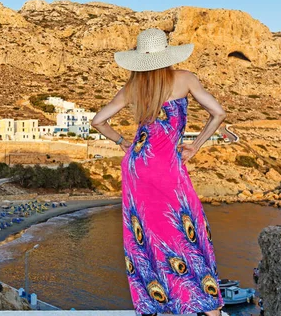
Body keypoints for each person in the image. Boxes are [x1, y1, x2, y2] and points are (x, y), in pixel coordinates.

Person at [91, 29, 228, 316]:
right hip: (166, 166)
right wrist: (195, 146)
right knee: (187, 231)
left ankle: (162, 304)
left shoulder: (132, 87)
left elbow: (98, 121)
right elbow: (218, 113)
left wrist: (125, 143)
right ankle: (206, 307)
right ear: (167, 54)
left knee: (146, 235)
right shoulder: (184, 78)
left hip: (137, 166)